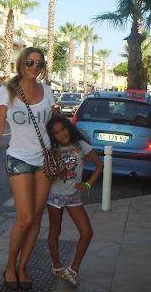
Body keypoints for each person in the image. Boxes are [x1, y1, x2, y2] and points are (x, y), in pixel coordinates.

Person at [0, 47, 55, 290]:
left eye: (39, 64)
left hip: (44, 159)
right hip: (18, 157)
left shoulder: (47, 91)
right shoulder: (6, 91)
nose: (34, 67)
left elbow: (53, 125)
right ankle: (10, 264)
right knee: (25, 217)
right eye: (30, 62)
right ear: (21, 63)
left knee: (37, 216)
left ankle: (23, 267)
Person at [46, 114, 103, 287]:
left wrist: (87, 184)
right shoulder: (51, 147)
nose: (61, 134)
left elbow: (99, 165)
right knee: (55, 231)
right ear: (52, 135)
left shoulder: (80, 145)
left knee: (87, 233)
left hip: (74, 197)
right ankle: (56, 266)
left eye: (63, 129)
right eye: (56, 132)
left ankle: (73, 269)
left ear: (68, 127)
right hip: (55, 196)